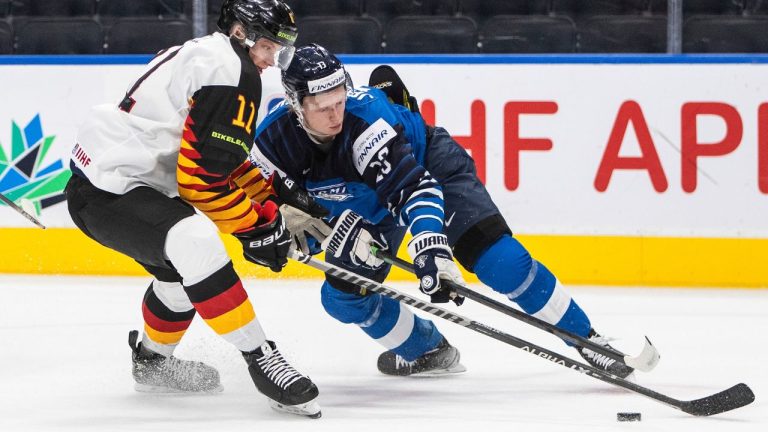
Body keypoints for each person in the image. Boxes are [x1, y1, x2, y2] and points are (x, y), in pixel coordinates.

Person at [248, 44, 635, 379]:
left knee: (500, 261)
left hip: (428, 166)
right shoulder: (271, 143)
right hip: (360, 208)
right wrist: (275, 228)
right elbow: (251, 205)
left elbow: (416, 189)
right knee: (342, 298)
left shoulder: (364, 123)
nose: (335, 115)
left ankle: (587, 339)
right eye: (322, 107)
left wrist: (431, 249)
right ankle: (427, 350)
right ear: (296, 104)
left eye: (339, 101)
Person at [64, 0, 322, 418]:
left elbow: (218, 155)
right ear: (241, 32)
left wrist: (269, 198)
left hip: (116, 184)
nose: (273, 62)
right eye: (270, 47)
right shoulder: (232, 74)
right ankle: (261, 358)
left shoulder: (211, 55)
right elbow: (199, 183)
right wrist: (258, 228)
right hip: (111, 192)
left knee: (184, 274)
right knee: (197, 242)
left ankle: (152, 363)